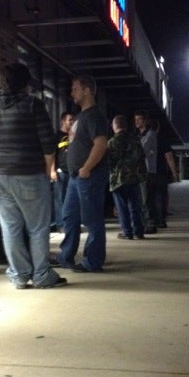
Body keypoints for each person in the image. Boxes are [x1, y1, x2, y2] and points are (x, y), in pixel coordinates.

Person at [0, 62, 66, 289]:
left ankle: (19, 276)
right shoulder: (32, 104)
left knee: (10, 227)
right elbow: (48, 143)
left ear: (0, 81)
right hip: (30, 173)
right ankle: (41, 275)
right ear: (25, 83)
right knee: (37, 228)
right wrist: (48, 169)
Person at [54, 74, 109, 272]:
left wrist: (86, 168)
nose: (72, 93)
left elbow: (101, 144)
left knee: (92, 219)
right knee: (69, 216)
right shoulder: (81, 117)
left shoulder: (94, 116)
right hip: (75, 177)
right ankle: (65, 256)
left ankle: (92, 262)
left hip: (89, 176)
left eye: (75, 89)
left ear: (87, 90)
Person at [108, 114, 147, 240]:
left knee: (122, 207)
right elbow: (142, 157)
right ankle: (138, 231)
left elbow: (109, 161)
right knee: (135, 206)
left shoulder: (113, 142)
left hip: (118, 179)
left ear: (115, 126)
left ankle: (127, 232)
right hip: (134, 178)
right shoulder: (135, 140)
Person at [134, 110, 159, 234]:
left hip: (148, 171)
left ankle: (150, 224)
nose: (136, 122)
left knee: (146, 199)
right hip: (142, 171)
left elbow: (141, 150)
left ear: (145, 121)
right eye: (135, 119)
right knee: (143, 199)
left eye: (139, 119)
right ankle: (145, 223)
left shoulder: (150, 135)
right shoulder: (140, 135)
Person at [150, 119, 178, 227]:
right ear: (158, 128)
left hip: (148, 173)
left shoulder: (145, 140)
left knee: (150, 197)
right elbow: (169, 158)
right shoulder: (163, 141)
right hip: (161, 172)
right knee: (161, 196)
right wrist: (174, 173)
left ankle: (152, 220)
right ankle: (161, 220)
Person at [51, 111, 74, 232]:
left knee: (72, 199)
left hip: (73, 172)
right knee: (60, 199)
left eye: (73, 120)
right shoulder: (56, 136)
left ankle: (71, 224)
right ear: (63, 121)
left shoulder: (74, 135)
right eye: (70, 120)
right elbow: (51, 154)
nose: (72, 122)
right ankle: (61, 224)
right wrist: (52, 171)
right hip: (61, 171)